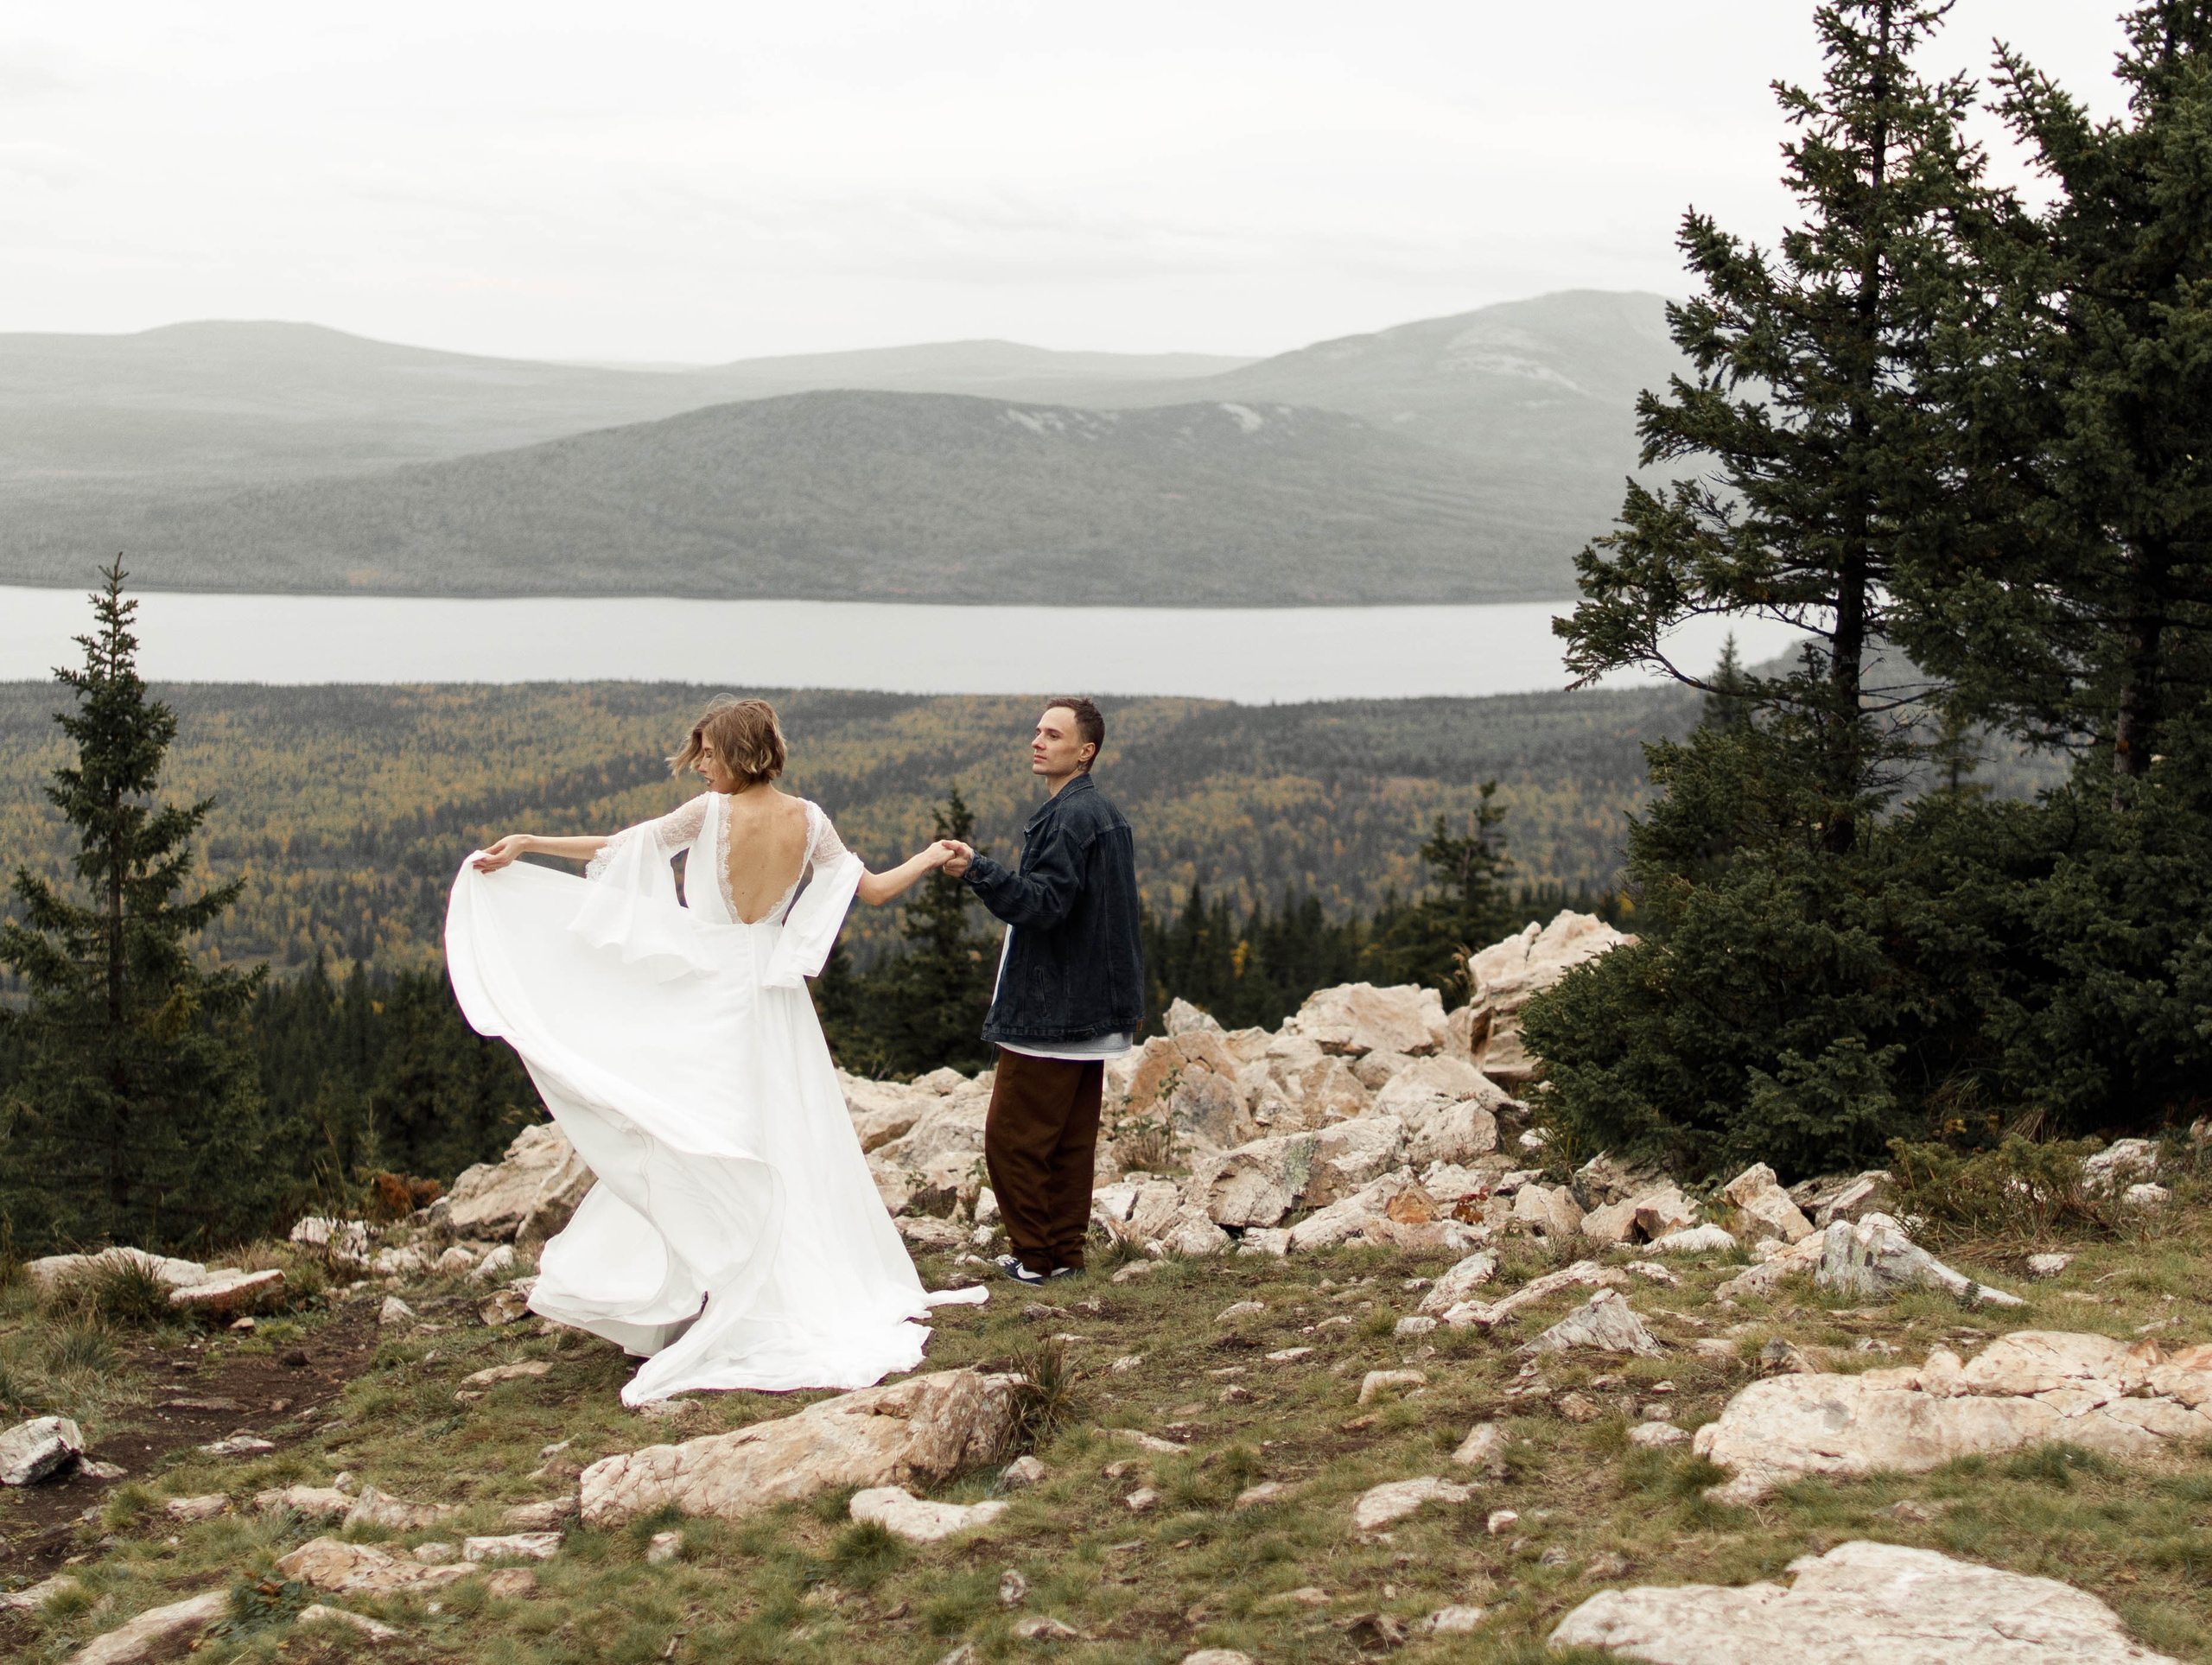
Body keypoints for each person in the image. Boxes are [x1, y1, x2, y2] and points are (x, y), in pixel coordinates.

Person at [444, 696, 982, 1404]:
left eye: (709, 753)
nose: (700, 765)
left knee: (696, 1134)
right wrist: (933, 855)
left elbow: (619, 848)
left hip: (712, 990)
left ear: (740, 753)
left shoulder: (710, 815)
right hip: (777, 997)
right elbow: (874, 890)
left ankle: (719, 1284)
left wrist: (529, 841)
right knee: (787, 1136)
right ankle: (773, 1278)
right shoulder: (811, 819)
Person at [944, 697, 1144, 1285]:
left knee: (1013, 1141)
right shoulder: (1102, 812)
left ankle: (1035, 1258)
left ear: (1085, 752)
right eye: (1037, 731)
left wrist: (979, 868)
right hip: (1091, 1013)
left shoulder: (1070, 817)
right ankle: (1065, 1256)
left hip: (1052, 1012)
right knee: (1068, 1144)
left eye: (1053, 734)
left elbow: (1044, 904)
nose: (1037, 740)